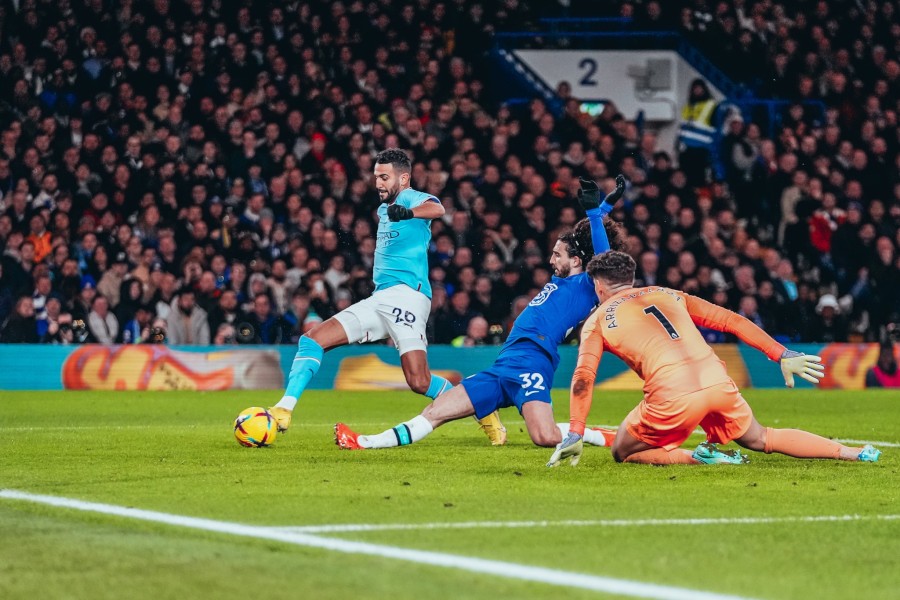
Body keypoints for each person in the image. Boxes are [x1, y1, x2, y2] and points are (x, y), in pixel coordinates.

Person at [333, 176, 626, 451]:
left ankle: (597, 435)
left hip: (533, 361)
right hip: (505, 362)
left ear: (576, 261)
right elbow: (587, 243)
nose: (550, 259)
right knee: (437, 410)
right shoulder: (562, 280)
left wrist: (594, 214)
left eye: (557, 254)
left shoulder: (586, 286)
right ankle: (364, 442)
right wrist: (603, 208)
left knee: (545, 437)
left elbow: (602, 257)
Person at [547, 251, 881, 467]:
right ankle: (854, 453)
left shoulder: (597, 320)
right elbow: (732, 321)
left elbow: (583, 379)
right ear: (630, 278)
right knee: (761, 437)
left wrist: (575, 431)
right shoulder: (669, 293)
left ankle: (699, 458)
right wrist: (781, 353)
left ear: (597, 285)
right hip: (716, 380)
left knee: (622, 450)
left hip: (672, 393)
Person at [268, 149, 449, 433]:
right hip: (380, 298)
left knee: (419, 381)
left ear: (403, 178)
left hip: (408, 297)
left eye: (384, 177)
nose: (378, 183)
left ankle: (477, 405)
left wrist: (409, 212)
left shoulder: (410, 198)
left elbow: (437, 209)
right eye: (376, 176)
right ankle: (284, 408)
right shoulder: (383, 209)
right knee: (312, 340)